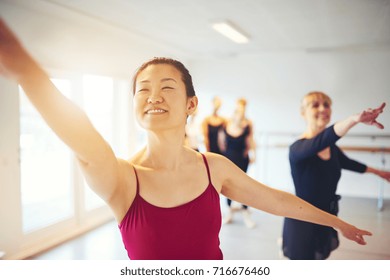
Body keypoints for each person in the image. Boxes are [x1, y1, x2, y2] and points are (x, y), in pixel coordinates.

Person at [0, 19, 374, 260]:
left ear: (190, 103)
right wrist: (23, 67)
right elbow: (78, 130)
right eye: (142, 90)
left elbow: (276, 200)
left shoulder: (214, 167)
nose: (153, 97)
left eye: (166, 87)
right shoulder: (121, 179)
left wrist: (336, 223)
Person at [282, 91, 390, 260]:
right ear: (303, 113)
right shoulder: (297, 149)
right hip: (302, 221)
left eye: (326, 104)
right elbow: (324, 138)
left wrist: (380, 173)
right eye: (315, 105)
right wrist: (355, 119)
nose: (323, 108)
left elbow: (350, 163)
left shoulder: (332, 148)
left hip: (327, 217)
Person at [219, 98, 257, 228]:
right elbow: (222, 143)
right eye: (238, 110)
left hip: (242, 159)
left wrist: (253, 154)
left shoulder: (247, 124)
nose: (240, 112)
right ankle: (229, 211)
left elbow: (250, 141)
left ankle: (246, 212)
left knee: (243, 185)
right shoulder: (227, 124)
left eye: (242, 109)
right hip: (229, 158)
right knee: (229, 184)